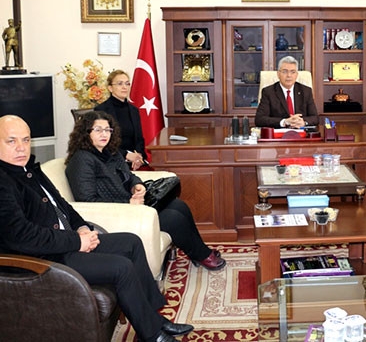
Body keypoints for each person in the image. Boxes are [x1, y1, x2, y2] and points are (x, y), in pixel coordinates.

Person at [0, 115, 193, 342]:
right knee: (121, 267)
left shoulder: (30, 169)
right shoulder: (4, 181)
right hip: (42, 258)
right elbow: (22, 237)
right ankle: (152, 335)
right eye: (11, 141)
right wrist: (77, 241)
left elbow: (63, 205)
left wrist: (82, 227)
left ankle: (155, 319)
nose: (21, 147)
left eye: (26, 140)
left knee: (131, 242)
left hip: (64, 242)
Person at [65, 110, 226, 271]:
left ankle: (199, 251)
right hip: (116, 214)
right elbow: (88, 200)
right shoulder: (81, 160)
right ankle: (202, 255)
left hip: (134, 206)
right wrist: (128, 203)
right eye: (98, 130)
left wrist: (137, 185)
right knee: (173, 218)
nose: (104, 134)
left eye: (108, 130)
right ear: (85, 133)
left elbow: (130, 176)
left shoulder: (111, 152)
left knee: (178, 205)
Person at [95, 69, 146, 170]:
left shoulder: (134, 110)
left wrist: (138, 157)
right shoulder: (101, 110)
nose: (124, 87)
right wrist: (126, 155)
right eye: (120, 84)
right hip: (111, 162)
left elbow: (139, 139)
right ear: (110, 88)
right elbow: (101, 142)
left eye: (127, 84)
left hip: (134, 163)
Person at [255, 56, 319, 129]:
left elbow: (315, 118)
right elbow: (259, 119)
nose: (289, 75)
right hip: (279, 134)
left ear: (296, 75)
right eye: (285, 72)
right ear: (278, 74)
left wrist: (303, 122)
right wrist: (284, 121)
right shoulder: (268, 92)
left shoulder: (306, 91)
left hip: (300, 132)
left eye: (293, 72)